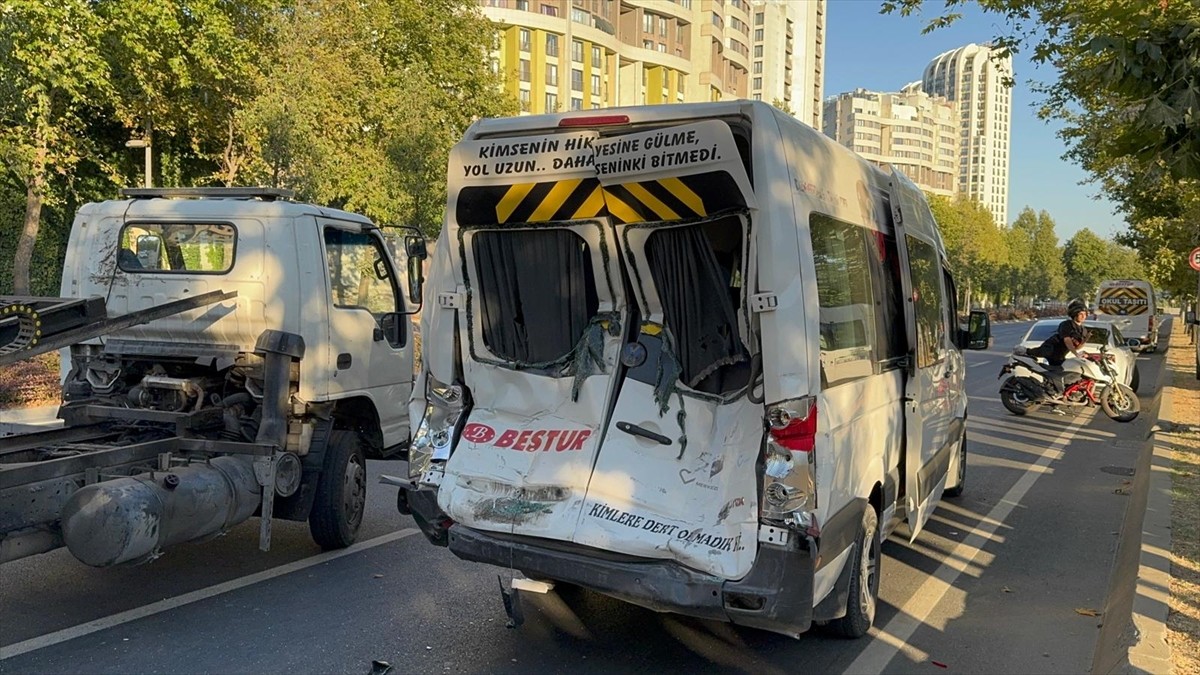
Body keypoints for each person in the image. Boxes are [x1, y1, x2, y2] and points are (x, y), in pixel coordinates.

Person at [1030, 299, 1089, 398]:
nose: (1083, 316)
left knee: (1070, 372)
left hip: (1061, 354)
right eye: (1080, 314)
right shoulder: (1066, 324)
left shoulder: (1083, 330)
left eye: (1085, 314)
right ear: (1074, 314)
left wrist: (1083, 349)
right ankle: (1052, 395)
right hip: (1051, 349)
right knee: (1058, 374)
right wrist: (1075, 354)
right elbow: (1067, 340)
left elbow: (1078, 345)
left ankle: (1058, 393)